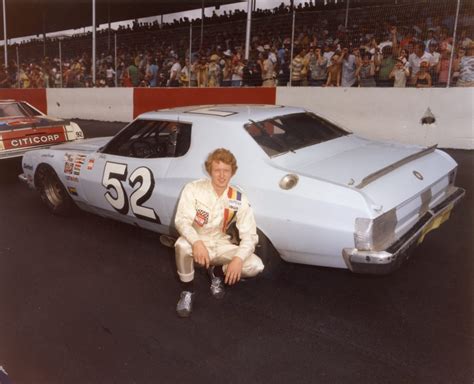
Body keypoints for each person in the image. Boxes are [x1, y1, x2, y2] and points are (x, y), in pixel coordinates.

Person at [174, 148, 264, 318]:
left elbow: (250, 236)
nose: (222, 175)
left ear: (232, 172)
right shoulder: (193, 189)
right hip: (198, 240)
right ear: (210, 171)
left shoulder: (238, 198)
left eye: (226, 171)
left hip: (222, 244)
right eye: (217, 170)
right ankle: (188, 291)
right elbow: (181, 221)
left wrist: (237, 259)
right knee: (181, 245)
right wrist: (197, 242)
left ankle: (216, 274)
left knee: (255, 265)